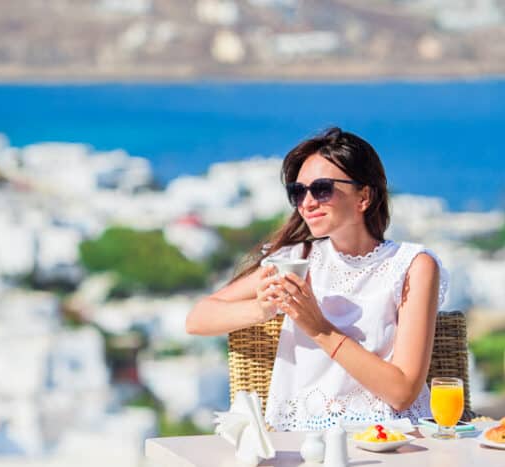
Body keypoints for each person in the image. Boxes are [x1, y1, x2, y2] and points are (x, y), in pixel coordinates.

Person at [186, 127, 448, 431]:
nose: (307, 203)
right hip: (306, 442)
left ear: (364, 196)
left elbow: (402, 393)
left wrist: (318, 328)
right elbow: (197, 319)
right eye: (298, 192)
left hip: (395, 440)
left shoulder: (412, 265)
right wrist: (264, 309)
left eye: (322, 189)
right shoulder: (297, 259)